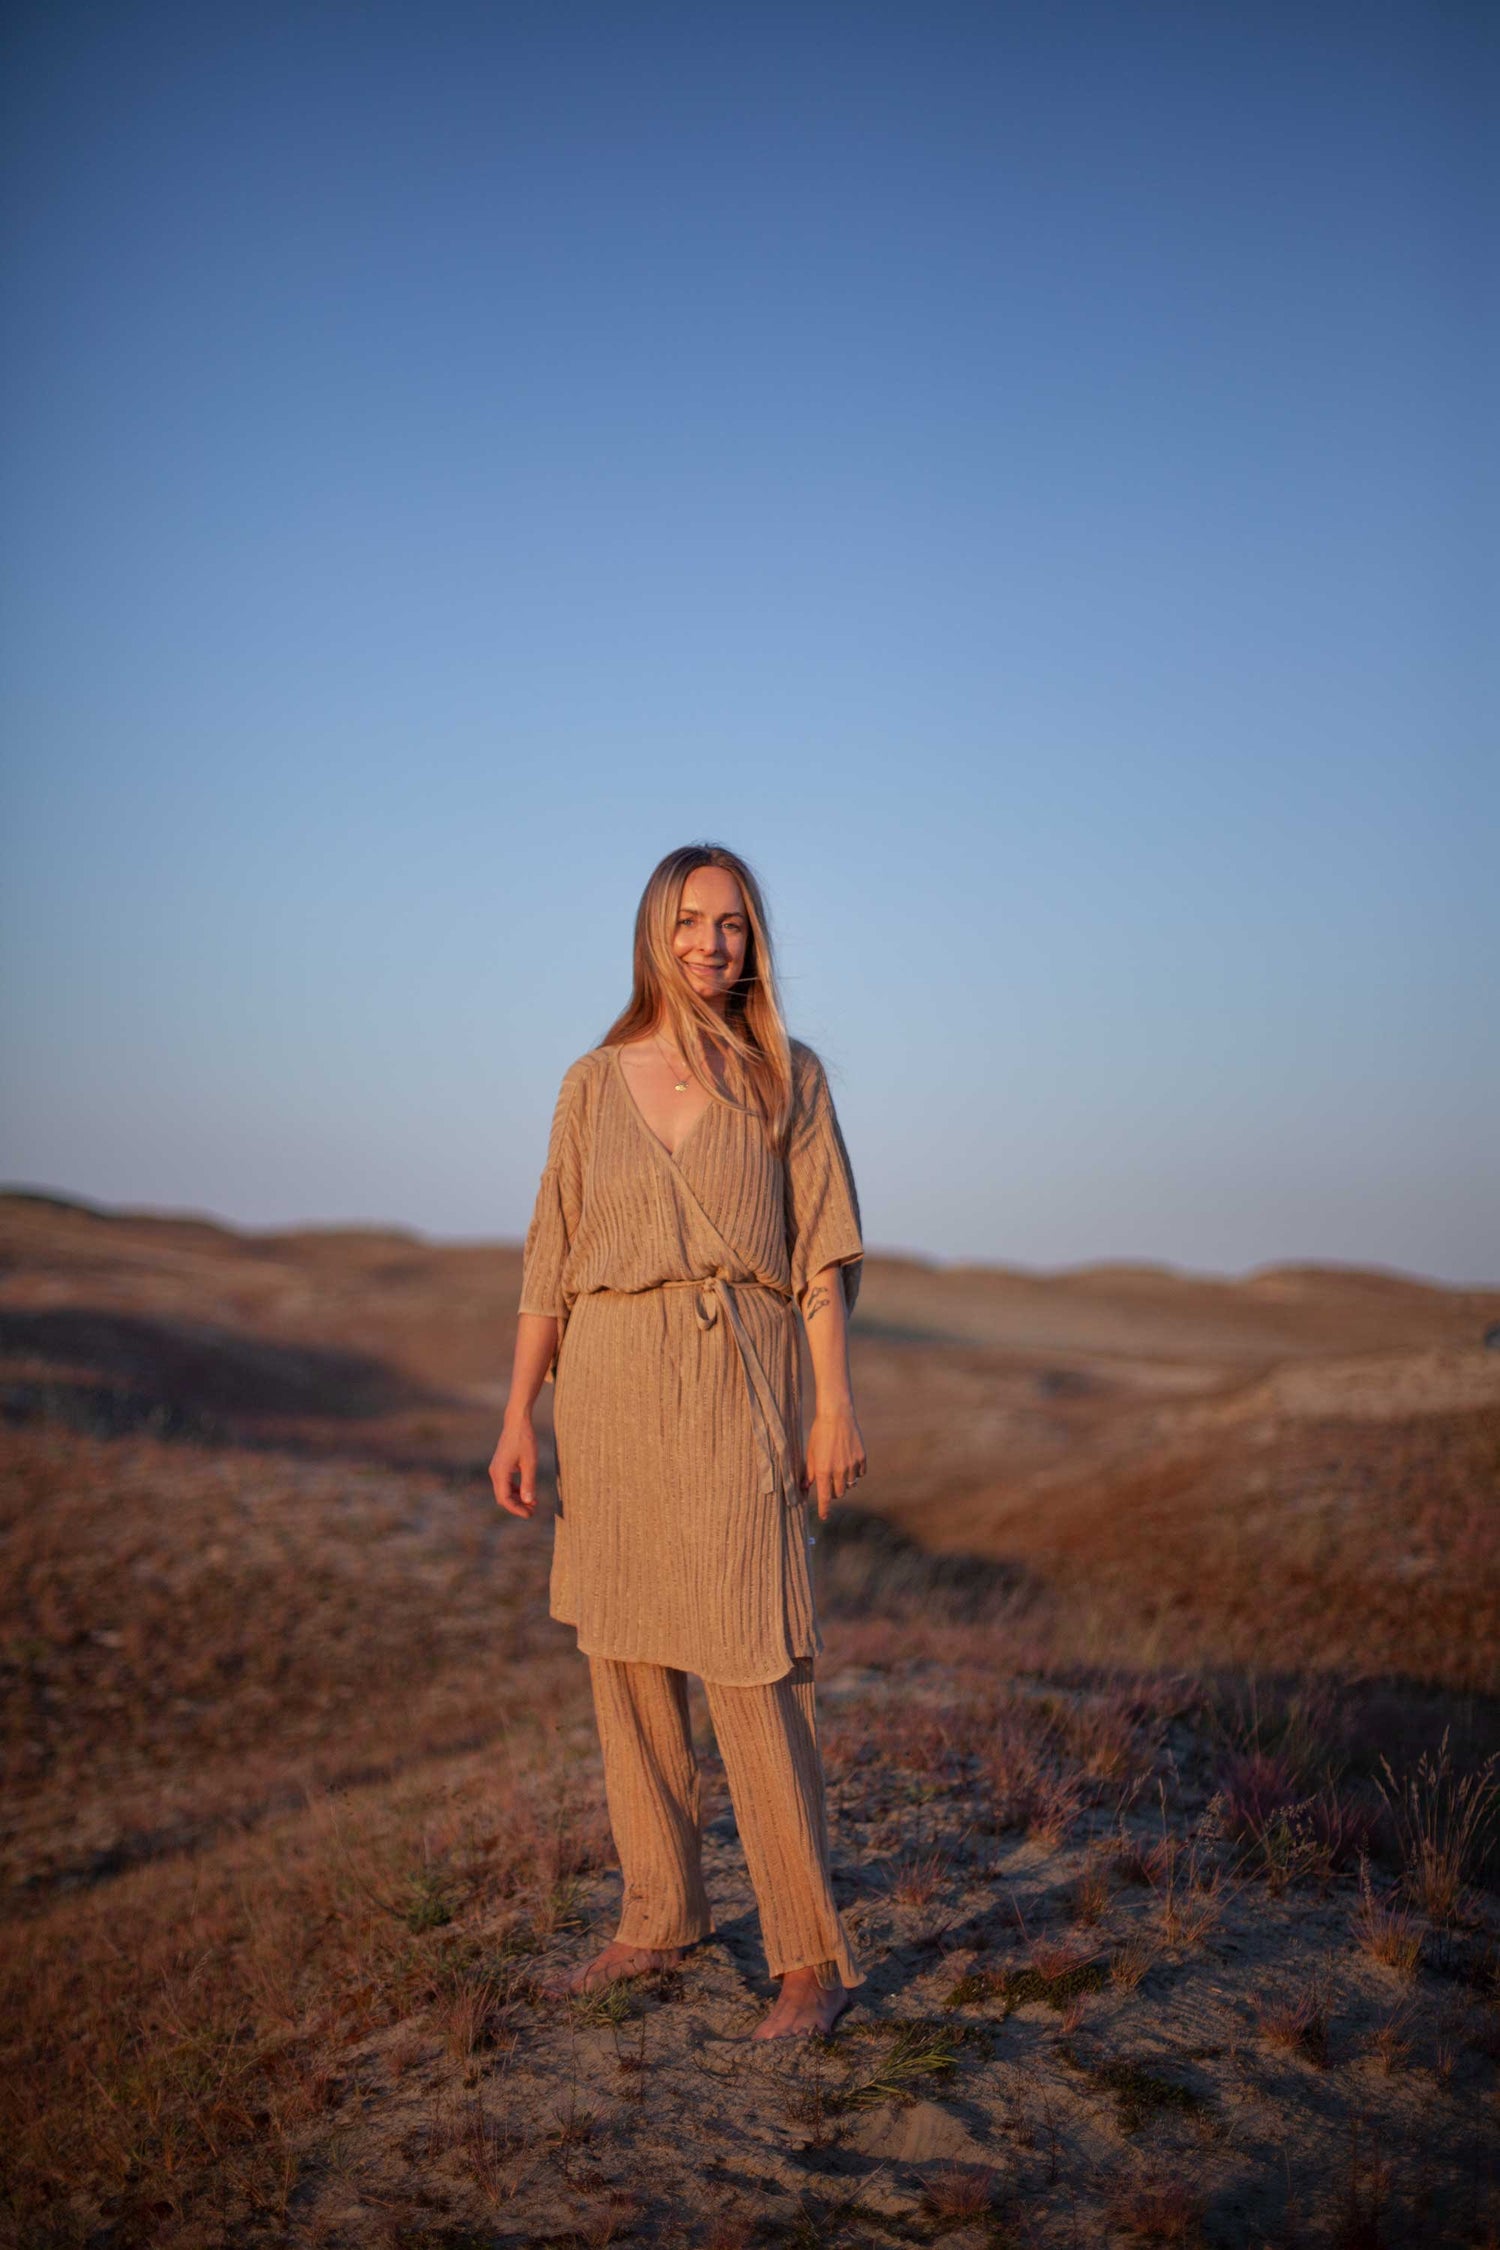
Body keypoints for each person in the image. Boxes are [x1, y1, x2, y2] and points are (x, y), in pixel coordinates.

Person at [489, 842, 868, 2040]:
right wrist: (517, 1413)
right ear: (657, 933)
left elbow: (820, 1254)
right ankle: (660, 1918)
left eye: (737, 925)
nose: (715, 943)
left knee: (755, 1666)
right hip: (606, 1390)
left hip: (736, 1381)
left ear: (755, 946)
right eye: (695, 920)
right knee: (629, 1663)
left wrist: (833, 1405)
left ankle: (807, 1958)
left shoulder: (786, 1077)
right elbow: (550, 1254)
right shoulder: (591, 1082)